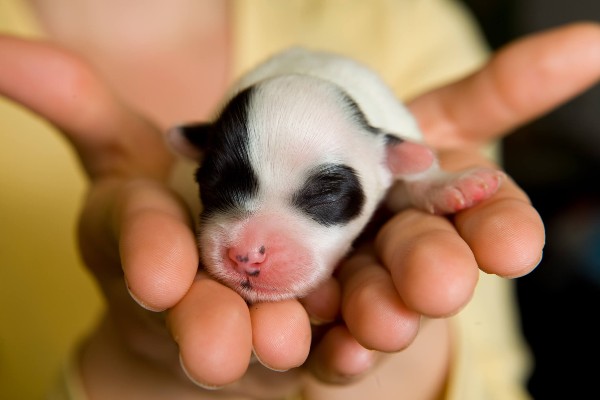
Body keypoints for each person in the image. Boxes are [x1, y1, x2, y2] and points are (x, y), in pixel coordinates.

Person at [0, 1, 598, 399]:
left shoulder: (404, 24)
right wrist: (134, 372)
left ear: (393, 161)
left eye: (321, 196)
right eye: (223, 191)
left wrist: (411, 369)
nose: (250, 250)